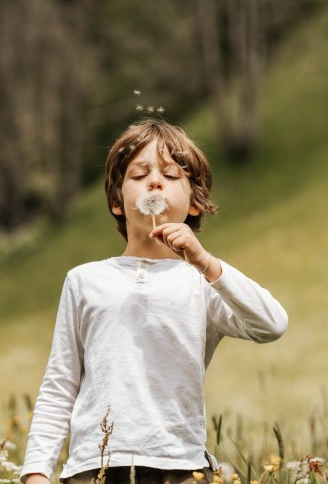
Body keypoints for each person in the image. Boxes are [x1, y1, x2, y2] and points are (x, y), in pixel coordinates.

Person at [20, 118, 288, 484]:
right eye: (139, 173)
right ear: (117, 202)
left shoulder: (202, 283)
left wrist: (205, 262)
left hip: (180, 466)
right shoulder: (84, 281)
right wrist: (36, 471)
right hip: (92, 467)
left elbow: (271, 324)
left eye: (172, 175)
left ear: (195, 204)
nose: (155, 181)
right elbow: (61, 383)